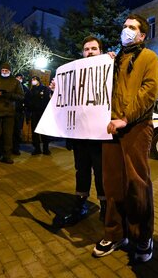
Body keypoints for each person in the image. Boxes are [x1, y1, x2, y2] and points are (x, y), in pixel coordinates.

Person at [92, 14, 158, 263]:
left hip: (137, 127)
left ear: (142, 35)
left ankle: (142, 236)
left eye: (132, 27)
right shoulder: (115, 60)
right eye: (124, 26)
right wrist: (103, 65)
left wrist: (126, 117)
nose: (126, 30)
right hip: (111, 129)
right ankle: (114, 233)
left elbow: (149, 91)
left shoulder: (149, 58)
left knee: (137, 185)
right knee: (112, 185)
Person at [63, 36, 107, 226]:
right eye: (86, 49)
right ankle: (80, 206)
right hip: (80, 135)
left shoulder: (108, 71)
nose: (89, 52)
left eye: (94, 49)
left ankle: (106, 209)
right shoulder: (75, 74)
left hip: (99, 135)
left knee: (101, 172)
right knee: (81, 171)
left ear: (101, 52)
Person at [0, 62, 24, 165]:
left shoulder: (15, 82)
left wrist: (10, 95)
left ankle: (7, 156)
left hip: (9, 112)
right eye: (3, 70)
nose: (4, 72)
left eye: (6, 71)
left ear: (10, 71)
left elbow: (21, 96)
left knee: (8, 136)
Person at [25, 75, 52, 155]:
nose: (33, 81)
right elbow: (27, 101)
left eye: (34, 79)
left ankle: (46, 148)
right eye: (32, 79)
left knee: (44, 131)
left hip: (43, 113)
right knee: (35, 131)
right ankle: (37, 148)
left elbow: (47, 100)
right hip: (34, 113)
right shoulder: (31, 90)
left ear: (38, 80)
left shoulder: (45, 89)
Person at [12, 73, 28, 155]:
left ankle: (16, 148)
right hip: (10, 111)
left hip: (19, 113)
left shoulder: (25, 88)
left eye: (20, 78)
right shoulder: (11, 86)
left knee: (17, 131)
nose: (18, 79)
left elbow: (27, 100)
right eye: (17, 77)